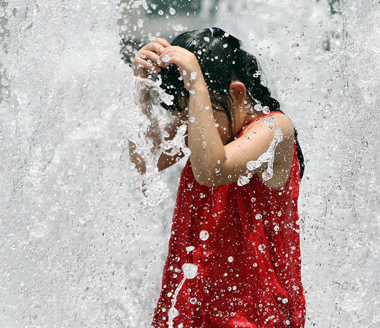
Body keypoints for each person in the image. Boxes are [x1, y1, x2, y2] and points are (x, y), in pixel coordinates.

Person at [131, 27, 306, 328]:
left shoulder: (275, 130)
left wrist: (197, 86)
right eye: (186, 113)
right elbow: (144, 160)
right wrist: (145, 96)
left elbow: (213, 170)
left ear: (237, 93)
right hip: (192, 314)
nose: (191, 124)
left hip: (256, 318)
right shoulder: (205, 131)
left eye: (202, 109)